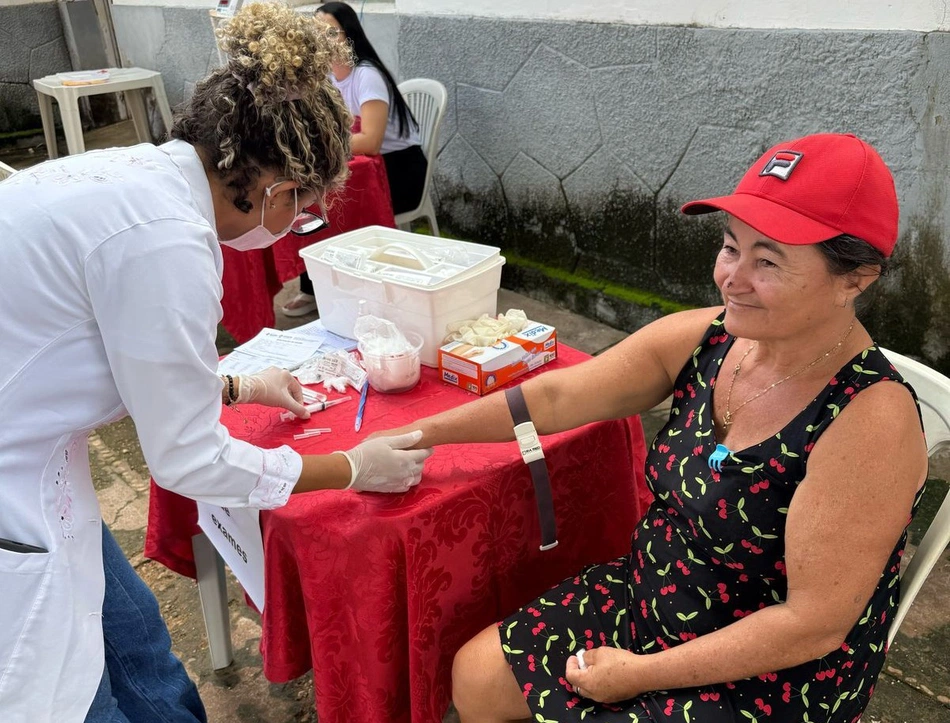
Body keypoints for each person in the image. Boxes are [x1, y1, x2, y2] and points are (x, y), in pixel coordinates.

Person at [377, 133, 929, 722]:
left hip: (770, 667)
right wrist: (419, 435)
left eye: (768, 260)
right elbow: (558, 395)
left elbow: (812, 624)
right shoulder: (713, 338)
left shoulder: (871, 420)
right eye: (729, 247)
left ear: (856, 278)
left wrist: (636, 675)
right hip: (656, 591)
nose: (732, 279)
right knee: (478, 674)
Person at [0, 4, 431, 721]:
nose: (297, 224)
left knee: (136, 642)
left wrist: (237, 382)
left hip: (39, 459)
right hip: (15, 501)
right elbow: (188, 462)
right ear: (274, 188)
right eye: (305, 208)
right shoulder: (165, 240)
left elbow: (116, 353)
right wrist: (353, 467)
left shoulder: (143, 175)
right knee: (72, 694)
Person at [281, 0, 428, 317]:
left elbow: (371, 142)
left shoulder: (367, 75)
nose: (323, 41)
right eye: (317, 34)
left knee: (326, 201)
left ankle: (348, 287)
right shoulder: (326, 77)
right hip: (362, 167)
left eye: (330, 33)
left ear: (349, 36)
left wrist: (322, 145)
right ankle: (318, 285)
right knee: (306, 195)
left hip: (399, 171)